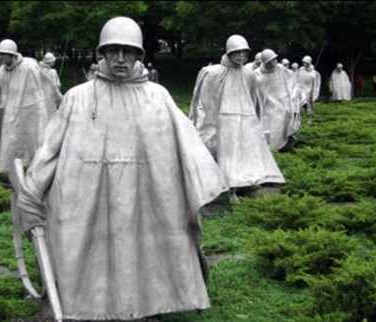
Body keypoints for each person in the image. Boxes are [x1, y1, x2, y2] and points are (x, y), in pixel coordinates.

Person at [17, 16, 228, 321]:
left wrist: (199, 183)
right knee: (84, 249)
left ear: (139, 55)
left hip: (145, 197)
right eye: (112, 51)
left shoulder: (157, 98)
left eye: (128, 52)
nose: (120, 59)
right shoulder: (79, 97)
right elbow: (50, 149)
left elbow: (188, 148)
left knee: (145, 248)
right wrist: (32, 191)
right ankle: (76, 303)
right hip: (87, 197)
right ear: (101, 53)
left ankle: (147, 304)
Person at [189, 34, 285, 203]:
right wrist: (206, 123)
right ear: (229, 52)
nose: (241, 56)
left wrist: (255, 122)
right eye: (237, 52)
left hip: (245, 120)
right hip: (225, 120)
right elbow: (205, 101)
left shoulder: (249, 75)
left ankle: (238, 187)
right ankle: (218, 189)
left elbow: (254, 100)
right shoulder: (213, 73)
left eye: (244, 53)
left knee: (242, 156)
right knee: (225, 156)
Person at [0, 39, 62, 174]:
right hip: (9, 116)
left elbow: (44, 89)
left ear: (13, 54)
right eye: (1, 54)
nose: (2, 57)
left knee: (35, 146)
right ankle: (13, 177)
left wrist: (54, 106)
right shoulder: (1, 72)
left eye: (5, 54)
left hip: (31, 112)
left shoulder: (29, 66)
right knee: (10, 149)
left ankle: (37, 175)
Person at [255, 49, 299, 150]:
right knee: (271, 126)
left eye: (275, 59)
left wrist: (293, 95)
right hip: (269, 105)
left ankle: (288, 144)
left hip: (284, 102)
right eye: (271, 61)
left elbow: (291, 77)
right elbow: (258, 93)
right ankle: (273, 148)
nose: (274, 62)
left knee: (287, 123)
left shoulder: (280, 68)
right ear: (266, 63)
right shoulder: (258, 74)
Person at [295, 55, 321, 121]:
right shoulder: (300, 70)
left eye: (305, 62)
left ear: (309, 63)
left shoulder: (314, 74)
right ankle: (298, 117)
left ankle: (309, 117)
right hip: (300, 90)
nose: (304, 64)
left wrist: (315, 95)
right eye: (303, 62)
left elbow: (316, 85)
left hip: (308, 92)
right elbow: (296, 79)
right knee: (298, 104)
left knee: (308, 105)